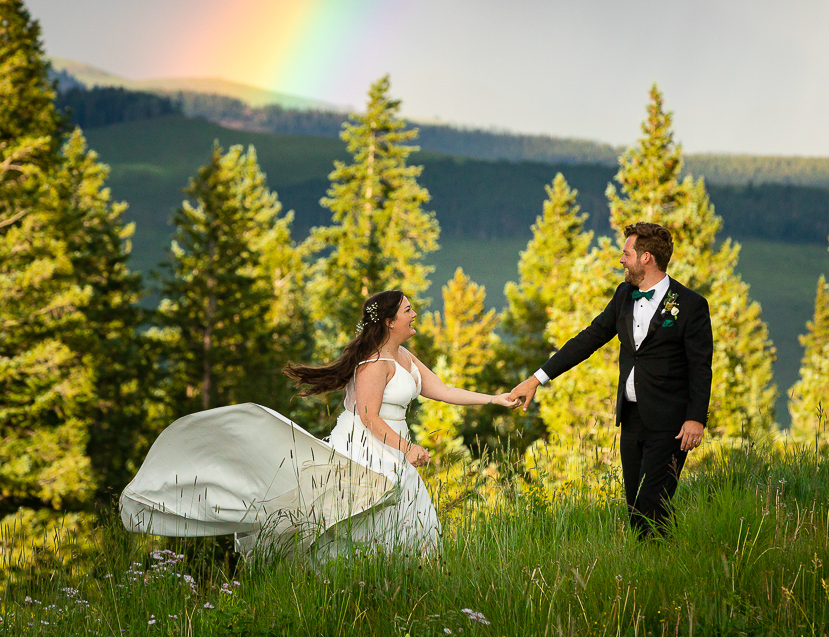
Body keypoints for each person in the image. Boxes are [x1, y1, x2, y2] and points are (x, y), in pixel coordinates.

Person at [120, 289, 518, 559]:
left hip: (391, 447)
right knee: (361, 516)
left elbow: (441, 388)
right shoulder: (374, 365)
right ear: (390, 322)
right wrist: (408, 447)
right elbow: (367, 417)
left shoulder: (405, 358)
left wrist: (495, 399)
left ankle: (398, 578)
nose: (415, 314)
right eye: (408, 309)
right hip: (367, 447)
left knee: (406, 517)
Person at [508, 222, 712, 539]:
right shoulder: (623, 296)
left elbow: (701, 366)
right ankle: (657, 565)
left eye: (626, 253)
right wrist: (537, 379)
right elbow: (588, 340)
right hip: (631, 418)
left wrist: (696, 418)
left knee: (651, 503)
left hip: (670, 424)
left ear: (646, 258)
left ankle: (662, 564)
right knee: (636, 507)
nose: (621, 260)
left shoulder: (690, 305)